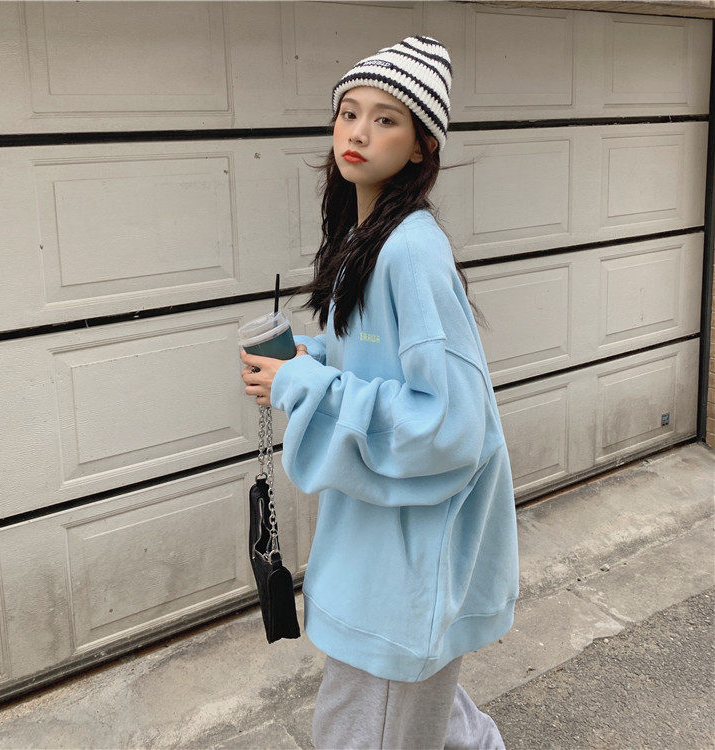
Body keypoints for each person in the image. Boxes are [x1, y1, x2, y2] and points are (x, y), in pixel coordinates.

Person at [239, 35, 519, 750]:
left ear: (423, 146)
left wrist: (307, 386)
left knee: (363, 729)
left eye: (385, 119)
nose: (358, 133)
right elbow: (380, 360)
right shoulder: (368, 237)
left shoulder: (410, 251)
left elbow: (451, 421)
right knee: (425, 715)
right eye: (349, 113)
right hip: (389, 546)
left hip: (409, 558)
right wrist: (311, 357)